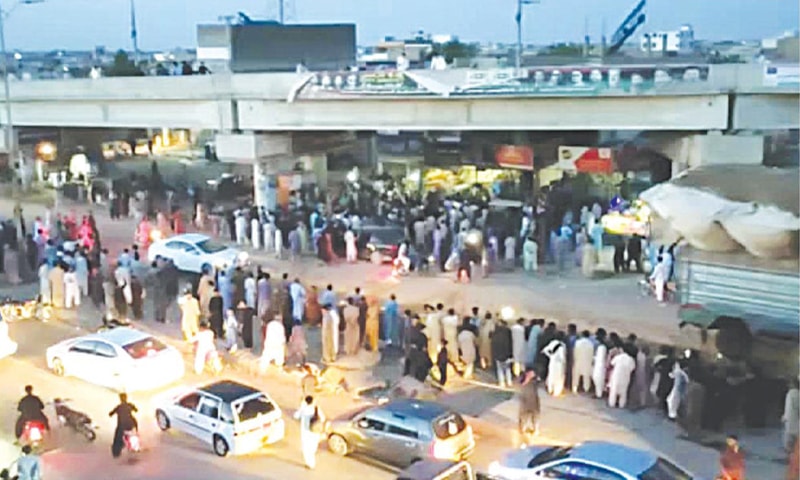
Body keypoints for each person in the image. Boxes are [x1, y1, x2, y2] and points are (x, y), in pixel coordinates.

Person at [294, 396, 323, 469]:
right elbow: (323, 418)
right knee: (313, 447)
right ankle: (312, 459)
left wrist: (301, 406)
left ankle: (310, 464)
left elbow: (296, 416)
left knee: (306, 449)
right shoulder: (316, 409)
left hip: (306, 432)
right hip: (315, 431)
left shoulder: (303, 409)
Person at [109, 393, 138, 458]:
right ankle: (134, 443)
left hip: (121, 426)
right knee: (135, 429)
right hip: (131, 424)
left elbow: (110, 414)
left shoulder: (118, 407)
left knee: (117, 438)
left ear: (120, 399)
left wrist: (112, 413)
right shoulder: (130, 405)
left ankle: (116, 453)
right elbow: (136, 410)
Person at [518, 370, 540, 445]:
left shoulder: (524, 380)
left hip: (526, 399)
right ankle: (534, 429)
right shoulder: (534, 381)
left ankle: (523, 429)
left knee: (525, 414)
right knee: (534, 414)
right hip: (532, 399)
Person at [492, 319, 513, 388]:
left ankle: (502, 382)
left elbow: (493, 344)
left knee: (500, 369)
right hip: (506, 353)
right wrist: (511, 354)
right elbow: (510, 343)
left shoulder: (495, 332)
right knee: (507, 368)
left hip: (497, 353)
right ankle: (509, 382)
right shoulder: (508, 332)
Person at [783, 378, 800, 452]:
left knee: (789, 446)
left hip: (790, 423)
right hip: (795, 423)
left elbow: (790, 408)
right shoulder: (795, 394)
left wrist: (785, 416)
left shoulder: (791, 394)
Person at [592, 334, 608, 398]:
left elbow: (600, 358)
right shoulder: (601, 347)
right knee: (598, 379)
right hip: (599, 365)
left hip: (599, 366)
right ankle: (599, 392)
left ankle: (599, 394)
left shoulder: (601, 347)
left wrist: (594, 358)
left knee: (598, 379)